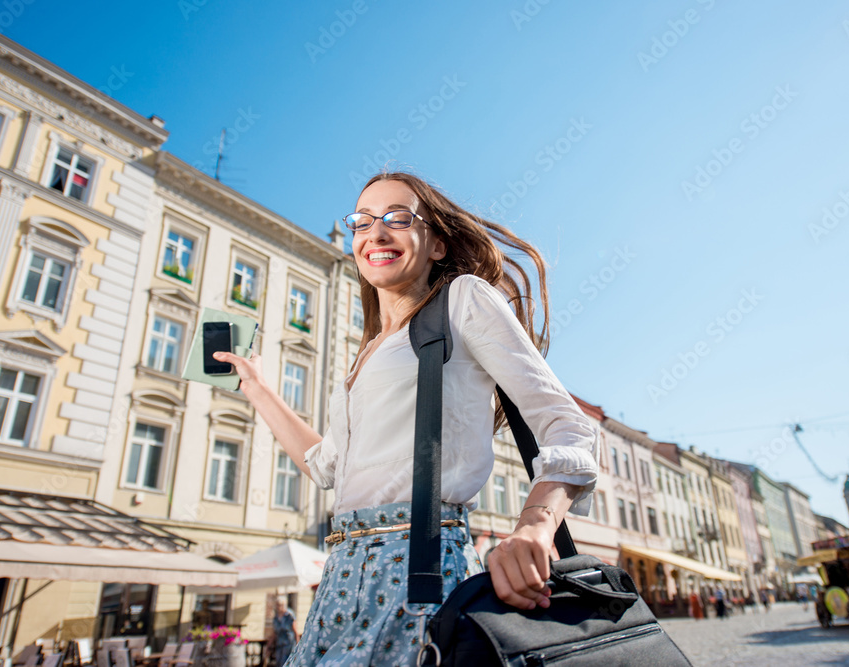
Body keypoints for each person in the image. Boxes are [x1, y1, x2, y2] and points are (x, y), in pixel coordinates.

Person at [214, 172, 599, 666]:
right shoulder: (368, 351)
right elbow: (325, 466)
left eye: (397, 218)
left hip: (419, 570)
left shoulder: (463, 298)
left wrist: (534, 526)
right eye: (363, 221)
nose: (376, 232)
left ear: (437, 243)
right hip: (340, 578)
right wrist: (256, 388)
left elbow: (568, 425)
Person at [272, 599, 298, 667]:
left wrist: (298, 643)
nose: (278, 607)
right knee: (279, 662)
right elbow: (275, 632)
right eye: (277, 605)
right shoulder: (276, 617)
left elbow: (295, 630)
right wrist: (269, 644)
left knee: (287, 662)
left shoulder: (289, 615)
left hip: (288, 643)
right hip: (279, 643)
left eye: (280, 605)